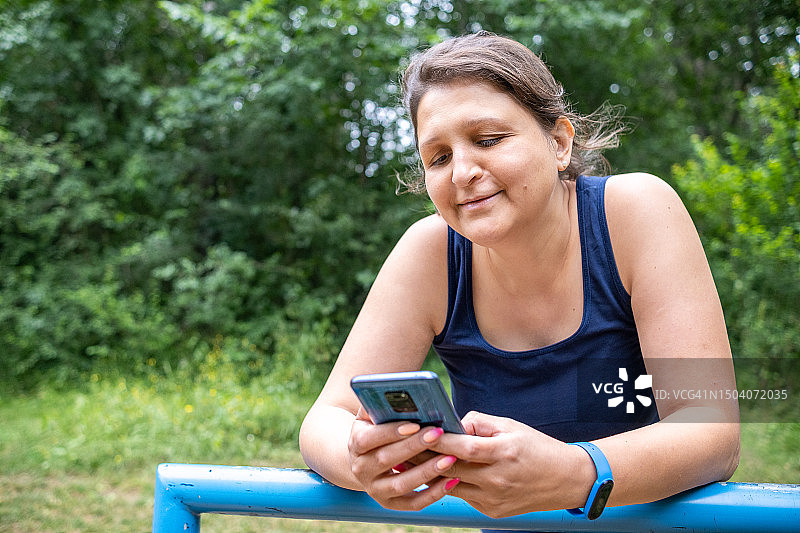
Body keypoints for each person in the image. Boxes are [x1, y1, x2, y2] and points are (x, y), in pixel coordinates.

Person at [299, 31, 740, 526]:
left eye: (488, 140)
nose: (461, 172)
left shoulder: (636, 211)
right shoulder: (430, 252)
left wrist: (573, 472)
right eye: (438, 157)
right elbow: (324, 422)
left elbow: (713, 431)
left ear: (559, 142)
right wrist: (363, 460)